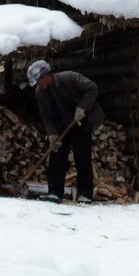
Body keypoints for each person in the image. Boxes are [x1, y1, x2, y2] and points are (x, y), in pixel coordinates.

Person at [27, 60, 104, 204]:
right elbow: (46, 116)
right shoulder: (40, 93)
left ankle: (85, 194)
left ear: (46, 76)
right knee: (57, 157)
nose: (38, 85)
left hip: (81, 121)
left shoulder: (69, 78)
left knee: (82, 157)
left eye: (38, 81)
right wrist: (52, 134)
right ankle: (55, 192)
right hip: (61, 125)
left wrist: (82, 108)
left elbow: (92, 88)